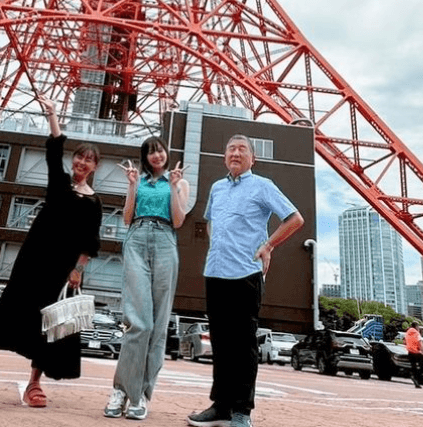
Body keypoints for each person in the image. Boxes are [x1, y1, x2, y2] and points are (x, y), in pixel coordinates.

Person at [0, 95, 102, 410]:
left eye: (88, 160)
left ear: (94, 166)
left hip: (61, 270)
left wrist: (78, 271)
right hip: (33, 259)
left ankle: (35, 383)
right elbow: (55, 147)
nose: (81, 163)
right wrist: (53, 115)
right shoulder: (58, 183)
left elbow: (90, 241)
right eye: (79, 158)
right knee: (9, 309)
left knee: (48, 326)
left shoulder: (95, 201)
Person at [188, 134, 304, 427]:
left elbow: (294, 218)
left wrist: (269, 245)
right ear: (224, 157)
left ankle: (242, 411)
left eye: (242, 149)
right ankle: (221, 407)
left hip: (245, 275)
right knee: (222, 343)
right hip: (215, 272)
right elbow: (212, 221)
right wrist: (218, 247)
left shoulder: (262, 185)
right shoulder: (217, 188)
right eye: (230, 149)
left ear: (253, 158)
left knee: (243, 345)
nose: (235, 153)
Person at [104, 136, 189, 421]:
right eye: (151, 151)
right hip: (137, 238)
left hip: (166, 240)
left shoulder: (178, 182)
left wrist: (175, 186)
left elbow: (178, 221)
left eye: (160, 149)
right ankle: (121, 390)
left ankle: (141, 394)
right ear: (145, 157)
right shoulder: (137, 181)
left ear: (167, 152)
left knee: (158, 326)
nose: (157, 155)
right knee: (138, 322)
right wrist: (131, 186)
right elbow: (127, 218)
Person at [404, 321, 423, 388]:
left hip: (410, 352)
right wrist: (421, 350)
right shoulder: (417, 333)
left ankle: (414, 379)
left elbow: (404, 341)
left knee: (413, 366)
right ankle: (417, 377)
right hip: (416, 352)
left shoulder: (407, 332)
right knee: (422, 366)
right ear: (416, 326)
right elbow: (419, 342)